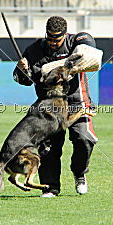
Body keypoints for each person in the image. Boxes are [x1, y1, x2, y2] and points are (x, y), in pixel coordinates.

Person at [13, 16, 98, 198]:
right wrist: (21, 69)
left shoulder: (75, 41)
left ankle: (79, 172)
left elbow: (89, 43)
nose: (53, 43)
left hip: (77, 101)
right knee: (48, 149)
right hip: (47, 106)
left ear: (65, 34)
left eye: (57, 39)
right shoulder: (34, 50)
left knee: (84, 139)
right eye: (49, 38)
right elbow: (22, 80)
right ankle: (51, 187)